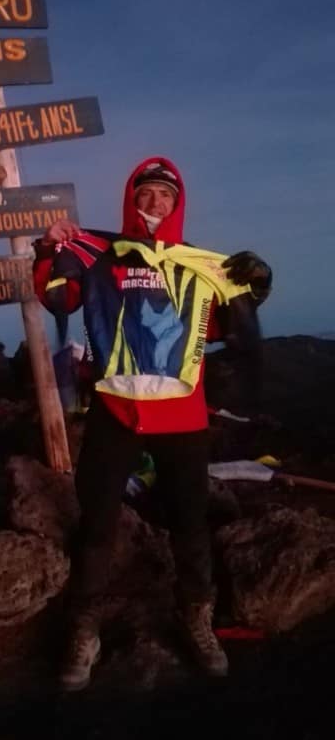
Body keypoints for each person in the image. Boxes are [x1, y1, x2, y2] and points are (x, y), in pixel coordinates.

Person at [32, 157, 272, 690]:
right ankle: (84, 628)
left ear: (178, 204)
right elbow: (56, 294)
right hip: (115, 413)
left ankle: (195, 617)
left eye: (165, 195)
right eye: (146, 194)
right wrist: (49, 249)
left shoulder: (200, 265)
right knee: (96, 526)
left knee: (189, 523)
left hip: (182, 418)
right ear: (131, 200)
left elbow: (230, 324)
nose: (155, 203)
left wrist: (255, 283)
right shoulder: (100, 256)